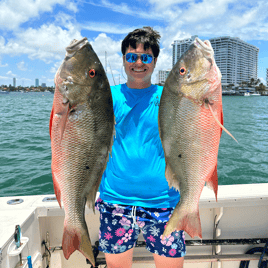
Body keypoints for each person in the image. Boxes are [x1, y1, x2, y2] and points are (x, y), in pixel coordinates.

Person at [95, 26, 186, 268]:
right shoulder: (106, 96)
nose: (138, 62)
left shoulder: (169, 97)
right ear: (123, 59)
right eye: (131, 56)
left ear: (154, 61)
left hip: (164, 201)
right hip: (116, 200)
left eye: (145, 57)